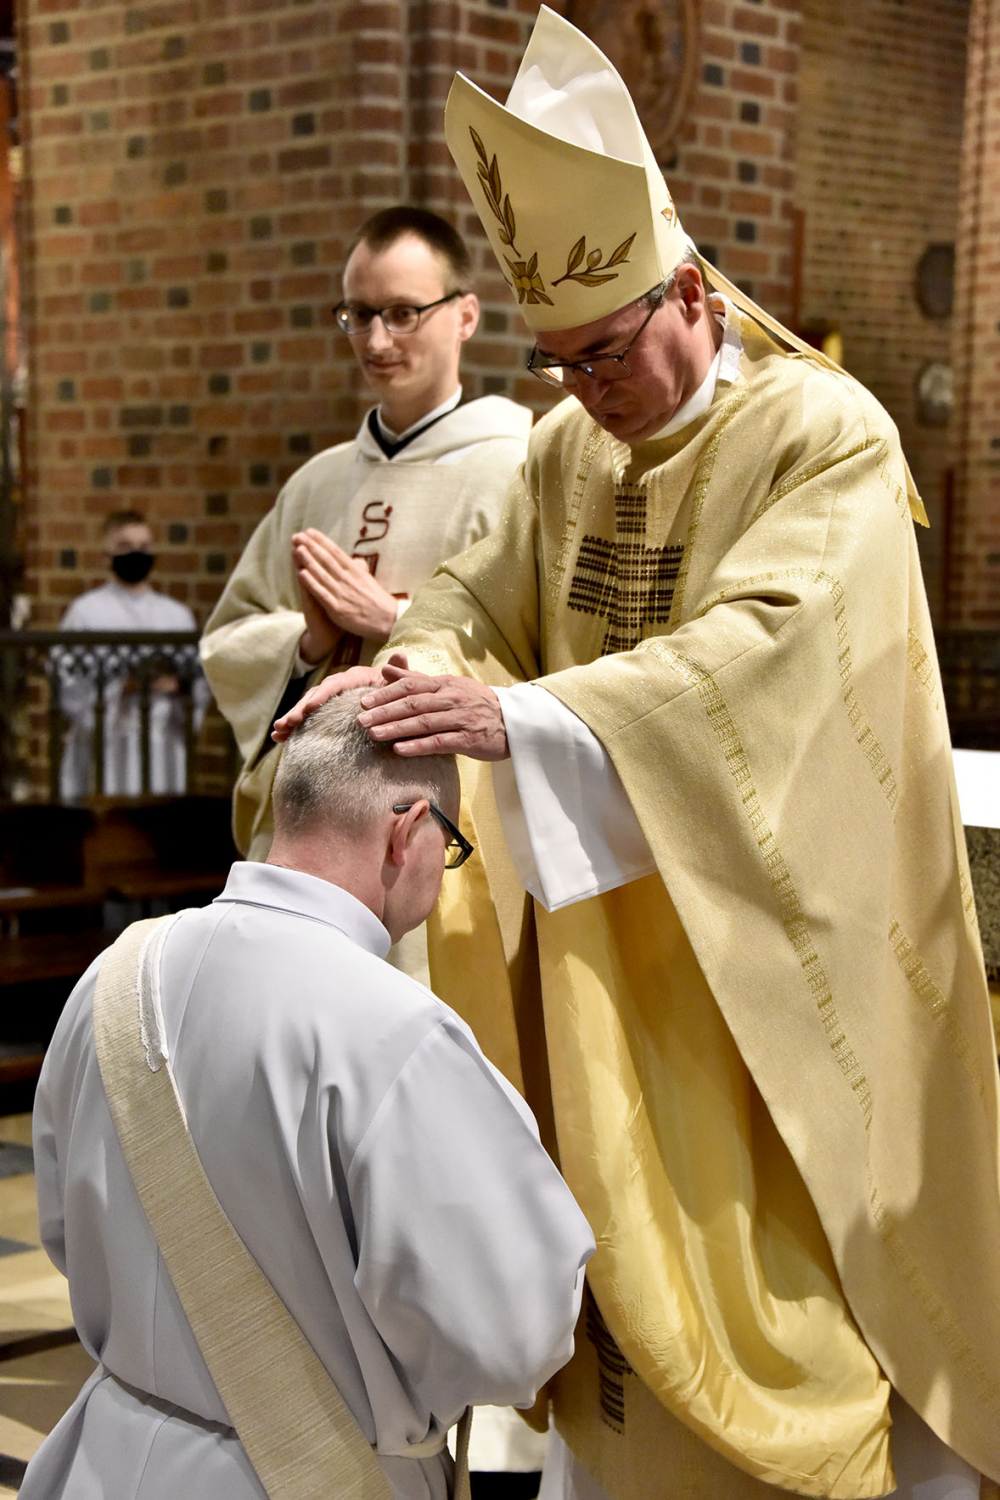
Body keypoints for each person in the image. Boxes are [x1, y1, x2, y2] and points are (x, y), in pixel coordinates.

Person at [274, 10, 1000, 1500]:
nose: (586, 391)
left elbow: (773, 647)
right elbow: (473, 599)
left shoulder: (827, 435)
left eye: (605, 354)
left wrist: (526, 719)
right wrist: (406, 678)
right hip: (608, 950)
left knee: (796, 1262)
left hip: (780, 938)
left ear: (689, 293)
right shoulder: (567, 448)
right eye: (557, 365)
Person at [21, 688, 594, 1500]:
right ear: (408, 831)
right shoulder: (399, 1031)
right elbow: (514, 1336)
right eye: (451, 847)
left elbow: (62, 1228)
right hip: (298, 1475)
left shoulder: (116, 975)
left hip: (104, 1457)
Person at [199, 205, 534, 870]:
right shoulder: (316, 483)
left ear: (465, 315)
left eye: (404, 313)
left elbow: (548, 651)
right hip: (310, 820)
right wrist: (307, 645)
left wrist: (395, 620)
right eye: (359, 314)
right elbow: (230, 635)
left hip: (445, 828)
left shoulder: (520, 468)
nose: (377, 341)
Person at [57, 509, 208, 798]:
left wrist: (178, 685)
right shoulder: (85, 612)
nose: (136, 553)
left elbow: (197, 682)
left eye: (144, 546)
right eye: (125, 546)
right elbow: (69, 685)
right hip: (109, 741)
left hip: (162, 741)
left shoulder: (176, 616)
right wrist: (123, 684)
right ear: (106, 556)